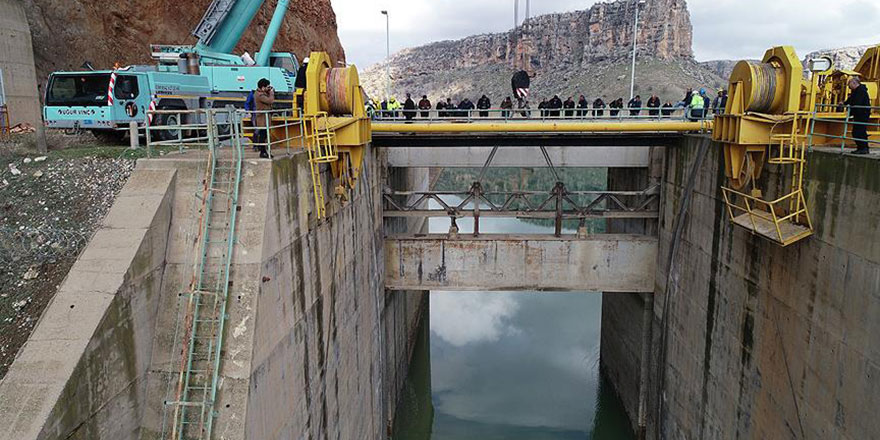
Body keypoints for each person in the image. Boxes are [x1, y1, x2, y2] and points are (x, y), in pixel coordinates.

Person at [845, 77, 871, 154]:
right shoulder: (856, 91)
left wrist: (851, 107)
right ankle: (861, 148)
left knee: (859, 131)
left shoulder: (861, 91)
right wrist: (844, 103)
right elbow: (851, 99)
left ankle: (863, 148)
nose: (848, 86)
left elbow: (857, 102)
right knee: (858, 131)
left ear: (854, 83)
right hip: (859, 114)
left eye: (849, 84)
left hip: (862, 114)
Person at [254, 78, 274, 159]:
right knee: (263, 135)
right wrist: (271, 93)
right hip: (262, 118)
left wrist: (268, 92)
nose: (268, 88)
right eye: (267, 87)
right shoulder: (260, 95)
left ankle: (264, 151)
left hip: (265, 117)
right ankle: (262, 152)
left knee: (265, 135)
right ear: (262, 87)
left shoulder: (262, 93)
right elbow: (270, 101)